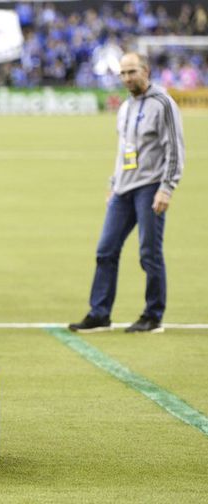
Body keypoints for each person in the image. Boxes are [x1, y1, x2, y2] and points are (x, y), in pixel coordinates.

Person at [69, 53, 184, 334]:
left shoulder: (163, 104)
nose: (127, 78)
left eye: (132, 71)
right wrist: (113, 183)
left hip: (150, 187)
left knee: (149, 253)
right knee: (105, 250)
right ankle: (100, 314)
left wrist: (166, 188)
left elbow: (175, 149)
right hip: (123, 190)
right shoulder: (125, 107)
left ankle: (153, 315)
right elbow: (124, 151)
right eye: (122, 73)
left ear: (146, 70)